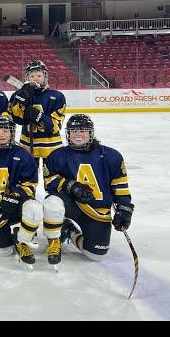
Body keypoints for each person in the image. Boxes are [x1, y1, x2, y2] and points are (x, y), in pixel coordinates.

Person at [41, 114, 134, 269]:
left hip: (98, 211)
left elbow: (120, 186)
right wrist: (70, 185)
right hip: (72, 205)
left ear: (91, 133)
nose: (78, 134)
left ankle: (70, 231)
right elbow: (49, 182)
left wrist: (124, 208)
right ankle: (54, 239)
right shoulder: (57, 155)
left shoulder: (111, 156)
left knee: (96, 255)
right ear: (68, 133)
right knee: (52, 202)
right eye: (74, 130)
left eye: (83, 130)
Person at [0, 116, 41, 270]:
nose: (1, 134)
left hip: (18, 207)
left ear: (12, 133)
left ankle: (22, 240)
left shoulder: (24, 155)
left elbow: (30, 186)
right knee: (3, 250)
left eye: (5, 130)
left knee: (33, 208)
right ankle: (12, 238)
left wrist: (14, 197)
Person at [8, 60, 66, 163]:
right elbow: (17, 119)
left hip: (51, 145)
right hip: (27, 145)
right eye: (32, 76)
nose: (35, 78)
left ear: (45, 77)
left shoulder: (57, 96)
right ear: (27, 78)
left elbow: (56, 126)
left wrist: (39, 117)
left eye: (39, 76)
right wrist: (20, 100)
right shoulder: (20, 94)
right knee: (28, 177)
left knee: (53, 176)